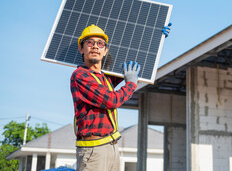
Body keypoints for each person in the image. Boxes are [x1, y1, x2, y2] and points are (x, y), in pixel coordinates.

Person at [71, 23, 171, 171]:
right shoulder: (81, 76)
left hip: (111, 146)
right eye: (90, 42)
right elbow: (112, 100)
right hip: (93, 151)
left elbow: (137, 64)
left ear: (105, 51)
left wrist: (156, 39)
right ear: (81, 48)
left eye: (100, 43)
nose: (95, 47)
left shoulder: (104, 78)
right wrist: (130, 84)